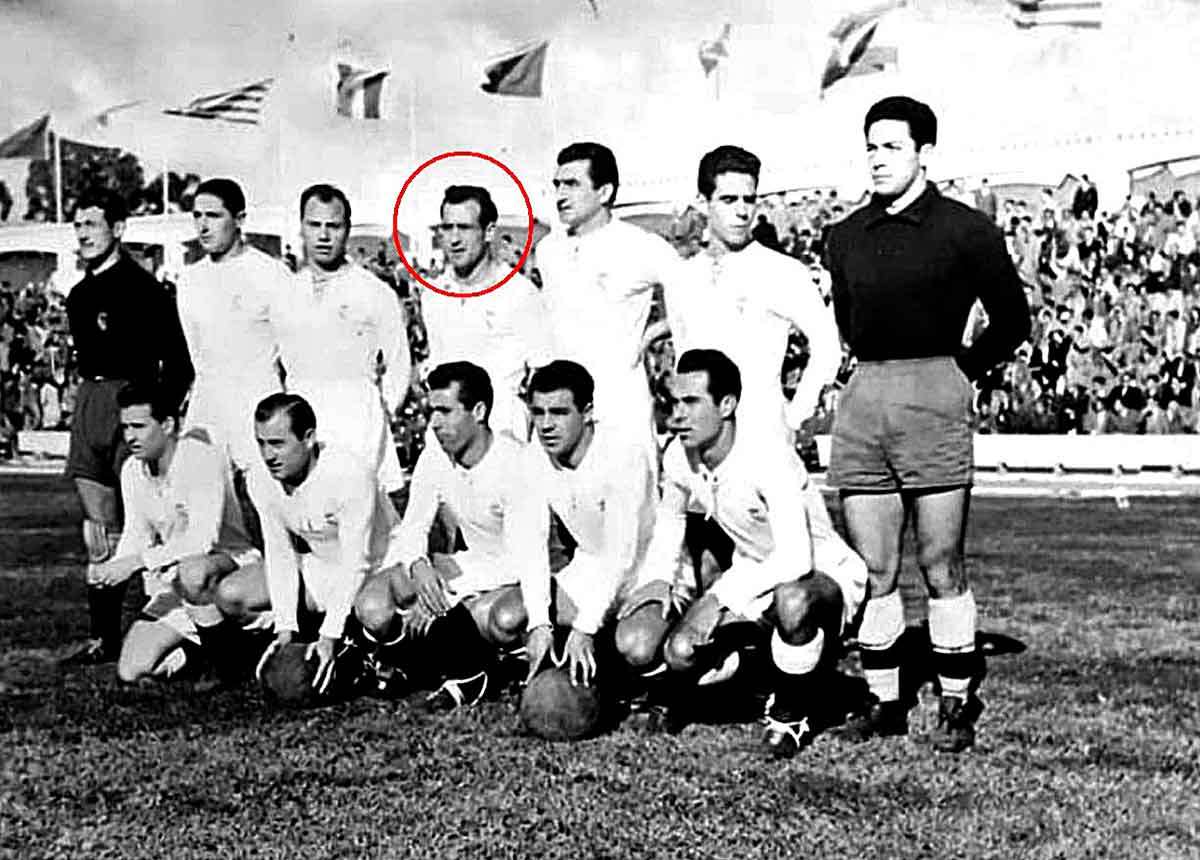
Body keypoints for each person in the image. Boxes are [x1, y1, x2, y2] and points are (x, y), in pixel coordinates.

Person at [823, 96, 1030, 753]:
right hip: (866, 395)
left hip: (936, 391)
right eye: (871, 146)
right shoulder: (844, 236)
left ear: (925, 153)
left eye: (892, 146)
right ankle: (884, 703)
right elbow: (849, 323)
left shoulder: (966, 229)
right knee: (875, 567)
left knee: (940, 561)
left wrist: (960, 371)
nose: (877, 158)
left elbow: (1013, 320)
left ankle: (955, 702)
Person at [616, 349, 866, 758]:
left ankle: (791, 714)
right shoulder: (679, 455)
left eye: (692, 402)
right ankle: (767, 671)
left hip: (823, 571)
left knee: (792, 600)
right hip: (752, 570)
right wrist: (658, 580)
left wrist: (718, 602)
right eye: (674, 403)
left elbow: (796, 559)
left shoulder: (769, 455)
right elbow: (671, 521)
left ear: (727, 405)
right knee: (681, 654)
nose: (678, 415)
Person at [353, 362, 548, 710]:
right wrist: (419, 566)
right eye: (431, 411)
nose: (434, 423)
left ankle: (476, 671)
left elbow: (528, 559)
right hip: (471, 567)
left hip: (519, 576)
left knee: (503, 619)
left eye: (445, 411)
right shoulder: (434, 458)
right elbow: (413, 528)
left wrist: (449, 594)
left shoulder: (516, 463)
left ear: (479, 411)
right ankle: (416, 664)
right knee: (378, 601)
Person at [62, 188, 194, 665]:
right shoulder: (78, 295)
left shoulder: (145, 289)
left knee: (144, 522)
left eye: (92, 225)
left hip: (132, 405)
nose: (84, 235)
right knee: (97, 527)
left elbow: (178, 363)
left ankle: (173, 623)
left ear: (118, 229)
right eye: (78, 226)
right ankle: (103, 636)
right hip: (90, 404)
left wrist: (159, 415)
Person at [486, 359, 657, 689]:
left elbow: (621, 554)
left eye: (559, 413)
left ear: (587, 412)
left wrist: (585, 627)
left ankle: (612, 668)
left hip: (642, 571)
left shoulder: (624, 454)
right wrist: (539, 624)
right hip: (590, 567)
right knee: (506, 619)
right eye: (538, 413)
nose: (546, 425)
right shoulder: (533, 457)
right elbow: (531, 545)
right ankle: (581, 660)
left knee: (637, 646)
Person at [243, 393, 405, 697]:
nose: (268, 455)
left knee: (374, 611)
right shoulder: (259, 478)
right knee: (234, 594)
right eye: (261, 443)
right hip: (326, 567)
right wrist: (285, 628)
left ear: (308, 438)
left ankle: (372, 652)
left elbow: (358, 561)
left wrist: (330, 635)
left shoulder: (349, 473)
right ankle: (322, 643)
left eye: (277, 443)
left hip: (380, 567)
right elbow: (279, 554)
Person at [99, 383, 260, 684]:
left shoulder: (201, 458)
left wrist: (137, 562)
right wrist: (110, 569)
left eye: (139, 426)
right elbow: (136, 532)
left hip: (228, 567)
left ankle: (227, 666)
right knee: (131, 670)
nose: (130, 436)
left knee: (194, 571)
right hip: (178, 583)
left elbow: (203, 541)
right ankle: (205, 652)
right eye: (125, 427)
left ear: (168, 425)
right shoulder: (132, 469)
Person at [536, 142, 683, 459]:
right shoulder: (549, 250)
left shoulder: (641, 245)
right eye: (557, 185)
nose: (560, 195)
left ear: (604, 192)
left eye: (572, 184)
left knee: (628, 487)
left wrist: (651, 335)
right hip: (562, 404)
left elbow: (696, 297)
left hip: (619, 402)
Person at [274, 184, 411, 495]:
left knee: (357, 508)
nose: (323, 236)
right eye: (315, 225)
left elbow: (399, 362)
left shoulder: (373, 291)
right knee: (305, 510)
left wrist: (379, 413)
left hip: (356, 420)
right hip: (301, 416)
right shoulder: (285, 292)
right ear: (301, 228)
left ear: (347, 230)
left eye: (333, 226)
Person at [175, 178, 289, 473]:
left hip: (259, 402)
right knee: (197, 491)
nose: (203, 226)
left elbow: (292, 351)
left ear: (239, 220)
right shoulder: (189, 280)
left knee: (266, 494)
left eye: (213, 216)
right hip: (207, 404)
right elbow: (195, 351)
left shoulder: (272, 274)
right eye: (197, 216)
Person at [421, 185, 550, 440]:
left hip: (502, 432)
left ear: (489, 231)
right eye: (447, 228)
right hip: (445, 436)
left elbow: (544, 375)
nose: (454, 239)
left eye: (464, 228)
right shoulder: (434, 296)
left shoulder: (520, 293)